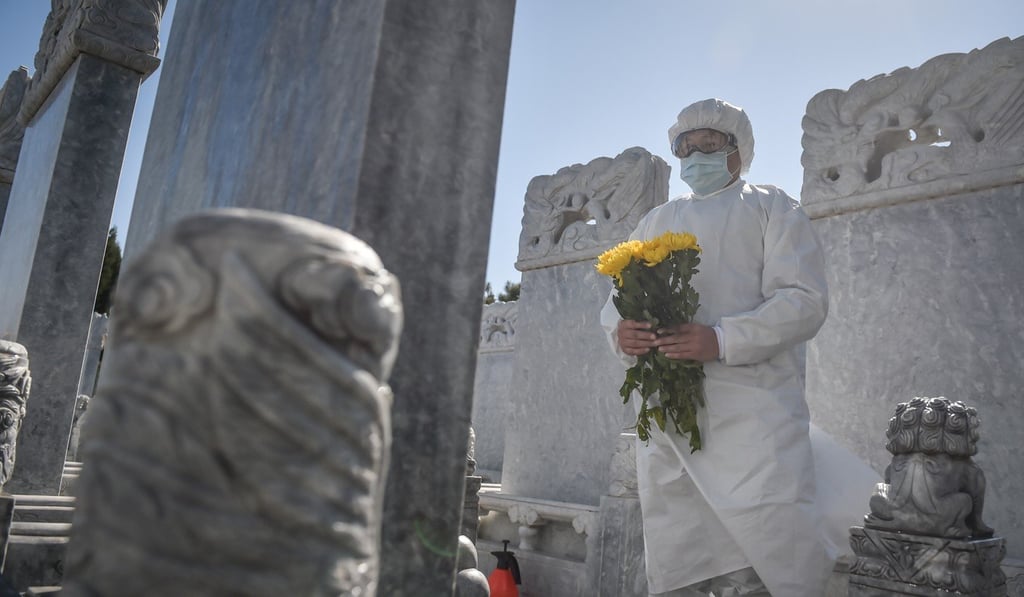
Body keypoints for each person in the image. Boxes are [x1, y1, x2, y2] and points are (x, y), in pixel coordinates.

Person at [600, 98, 876, 597]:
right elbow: (616, 300)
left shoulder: (771, 207)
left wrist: (723, 339)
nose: (696, 155)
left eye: (710, 144)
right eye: (687, 147)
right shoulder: (656, 221)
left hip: (754, 418)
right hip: (670, 423)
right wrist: (622, 334)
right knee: (682, 558)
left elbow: (803, 301)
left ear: (738, 150)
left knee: (764, 556)